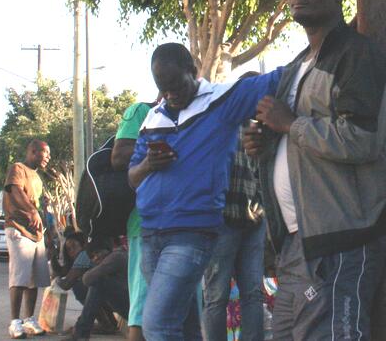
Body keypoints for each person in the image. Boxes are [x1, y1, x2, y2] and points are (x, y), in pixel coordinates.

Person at [243, 0, 386, 341]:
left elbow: (361, 139)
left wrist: (289, 123)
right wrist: (264, 142)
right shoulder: (298, 65)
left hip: (341, 237)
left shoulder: (358, 55)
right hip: (298, 240)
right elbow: (293, 137)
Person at [129, 44, 282, 341]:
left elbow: (281, 78)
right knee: (183, 325)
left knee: (157, 324)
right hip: (151, 235)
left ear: (194, 71)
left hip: (193, 232)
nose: (170, 94)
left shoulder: (221, 100)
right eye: (163, 88)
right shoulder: (152, 118)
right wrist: (149, 164)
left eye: (176, 85)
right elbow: (132, 178)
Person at [201, 145, 266, 341]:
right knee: (217, 295)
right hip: (222, 218)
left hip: (253, 216)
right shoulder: (214, 119)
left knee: (251, 293)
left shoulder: (250, 119)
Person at [110, 101, 154, 341]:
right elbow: (118, 157)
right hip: (144, 225)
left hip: (183, 226)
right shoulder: (141, 111)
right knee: (141, 307)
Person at [4, 138, 52, 338]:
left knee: (34, 279)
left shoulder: (37, 177)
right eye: (45, 153)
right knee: (20, 277)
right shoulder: (18, 168)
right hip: (19, 228)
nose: (48, 158)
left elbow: (39, 204)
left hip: (37, 234)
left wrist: (48, 230)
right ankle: (15, 322)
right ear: (33, 151)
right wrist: (31, 212)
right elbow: (15, 190)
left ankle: (29, 319)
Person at [64, 236, 131, 341]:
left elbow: (86, 279)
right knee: (99, 283)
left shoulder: (116, 257)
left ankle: (81, 333)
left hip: (134, 309)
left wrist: (94, 267)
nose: (95, 258)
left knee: (97, 282)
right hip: (131, 305)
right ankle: (85, 330)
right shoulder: (121, 254)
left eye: (96, 254)